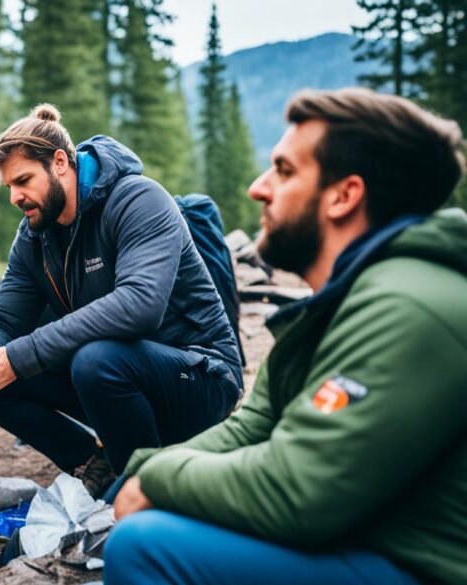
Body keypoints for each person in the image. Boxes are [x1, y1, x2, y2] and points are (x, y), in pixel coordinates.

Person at [103, 88, 467, 585]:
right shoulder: (337, 305)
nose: (258, 187)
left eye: (285, 170)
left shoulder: (407, 304)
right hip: (373, 536)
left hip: (422, 564)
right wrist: (146, 468)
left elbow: (297, 491)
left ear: (344, 196)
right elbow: (253, 428)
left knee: (145, 548)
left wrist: (156, 481)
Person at [0, 104, 243, 497]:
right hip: (115, 379)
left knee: (96, 360)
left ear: (60, 162)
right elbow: (4, 319)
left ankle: (146, 488)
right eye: (9, 186)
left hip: (198, 376)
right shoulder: (35, 236)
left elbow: (139, 305)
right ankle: (95, 465)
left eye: (23, 180)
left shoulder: (137, 200)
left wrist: (14, 358)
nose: (14, 197)